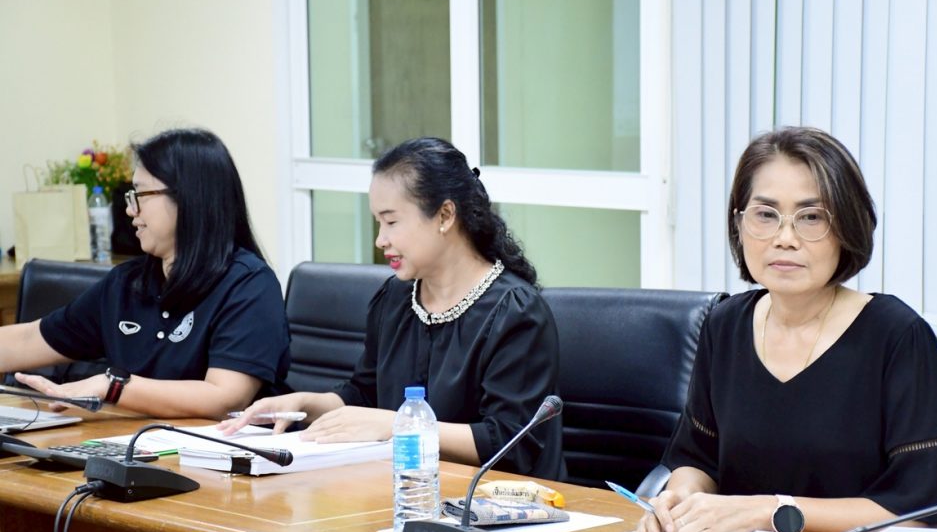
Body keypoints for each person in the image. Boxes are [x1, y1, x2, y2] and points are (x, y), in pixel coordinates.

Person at [635, 126, 937, 532]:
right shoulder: (725, 324)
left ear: (847, 226)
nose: (785, 239)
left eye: (811, 217)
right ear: (739, 224)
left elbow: (923, 512)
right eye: (765, 215)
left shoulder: (897, 336)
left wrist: (769, 512)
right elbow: (696, 458)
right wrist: (681, 499)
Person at [221, 137, 565, 480]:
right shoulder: (396, 297)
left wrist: (397, 425)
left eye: (391, 222)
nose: (380, 240)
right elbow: (365, 394)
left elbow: (510, 442)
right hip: (405, 488)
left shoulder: (515, 312)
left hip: (497, 498)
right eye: (378, 222)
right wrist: (303, 404)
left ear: (445, 215)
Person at [0, 128, 290, 419]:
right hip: (133, 439)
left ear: (189, 198)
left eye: (140, 194)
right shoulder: (127, 283)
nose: (130, 210)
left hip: (221, 447)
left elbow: (225, 397)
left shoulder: (249, 284)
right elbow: (29, 340)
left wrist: (113, 387)